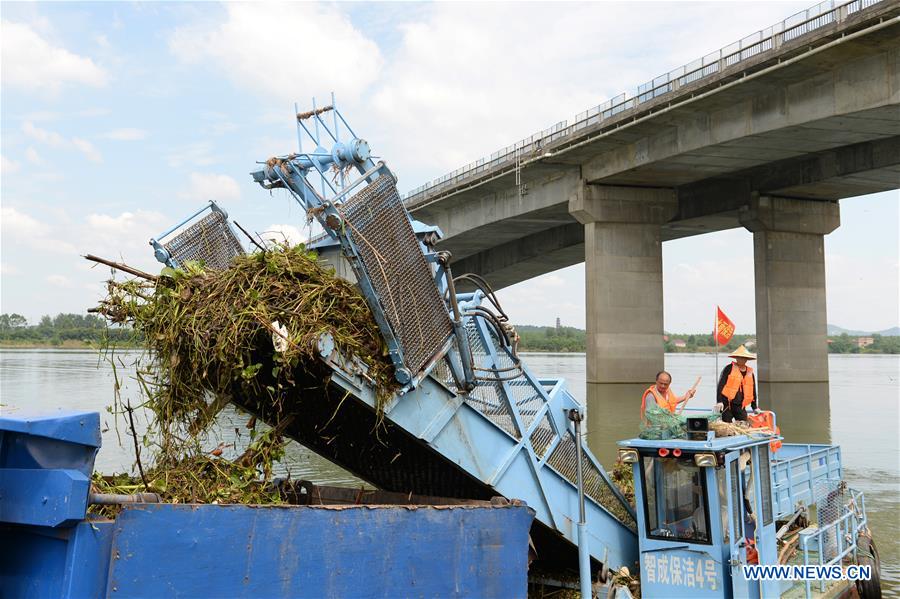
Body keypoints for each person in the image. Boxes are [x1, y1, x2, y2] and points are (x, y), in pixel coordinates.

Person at [716, 345, 758, 422]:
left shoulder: (750, 372)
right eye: (739, 357)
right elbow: (721, 385)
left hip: (740, 406)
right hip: (727, 405)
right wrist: (719, 401)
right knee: (727, 428)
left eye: (743, 358)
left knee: (743, 424)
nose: (741, 359)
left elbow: (753, 390)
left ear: (747, 359)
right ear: (736, 358)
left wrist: (754, 407)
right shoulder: (728, 368)